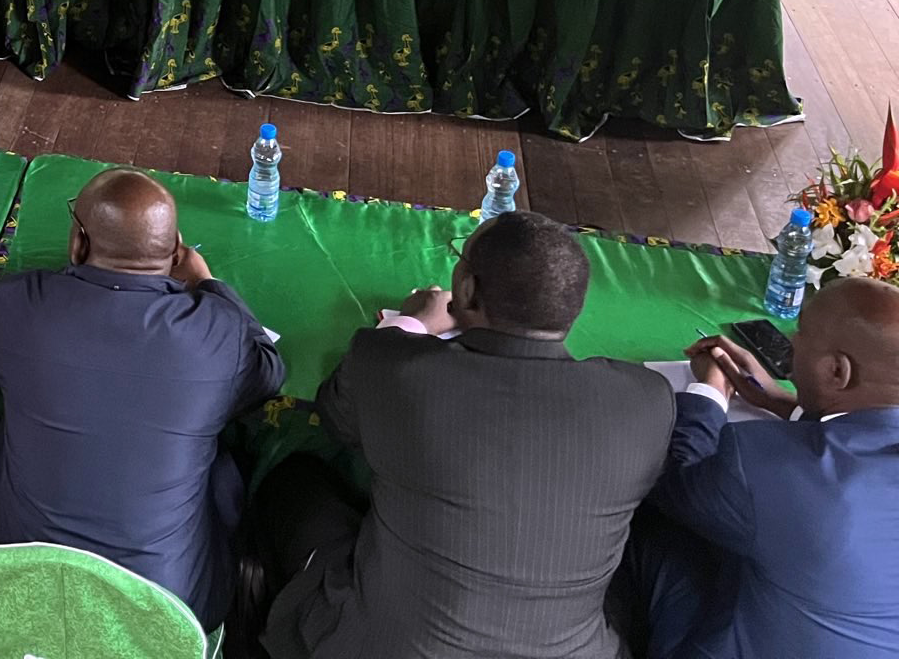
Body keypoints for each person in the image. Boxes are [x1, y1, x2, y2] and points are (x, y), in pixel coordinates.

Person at [258, 212, 675, 659]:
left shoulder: (397, 368)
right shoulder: (647, 400)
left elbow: (337, 416)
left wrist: (414, 323)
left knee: (294, 479)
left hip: (382, 644)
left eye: (460, 258)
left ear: (468, 290)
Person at [0, 169, 285, 628]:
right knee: (220, 463)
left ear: (78, 244)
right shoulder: (216, 331)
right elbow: (269, 372)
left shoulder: (15, 305)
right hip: (163, 614)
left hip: (14, 591)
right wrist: (209, 286)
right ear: (177, 250)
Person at [627, 278, 899, 659]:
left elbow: (677, 478)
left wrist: (711, 390)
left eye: (800, 330)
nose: (791, 341)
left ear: (837, 372)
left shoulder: (782, 464)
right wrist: (781, 402)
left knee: (646, 514)